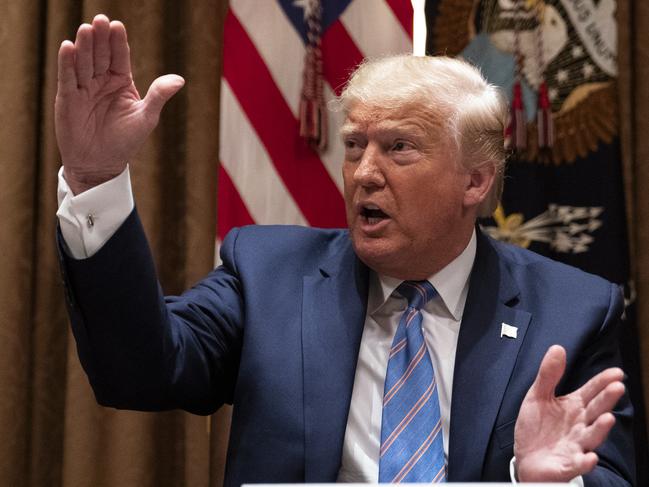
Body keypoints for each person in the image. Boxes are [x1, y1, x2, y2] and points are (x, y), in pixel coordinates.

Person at [55, 14, 634, 486]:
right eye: (355, 145)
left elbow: (610, 473)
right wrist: (96, 177)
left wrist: (541, 483)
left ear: (475, 182)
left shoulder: (575, 309)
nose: (364, 173)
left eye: (399, 147)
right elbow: (139, 370)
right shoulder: (265, 273)